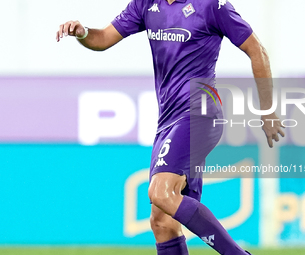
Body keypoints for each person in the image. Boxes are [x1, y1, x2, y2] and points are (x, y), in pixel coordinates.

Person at [57, 0, 285, 254]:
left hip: (199, 114)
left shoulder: (211, 6)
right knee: (162, 222)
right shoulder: (145, 4)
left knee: (161, 192)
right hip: (167, 121)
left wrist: (267, 110)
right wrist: (83, 33)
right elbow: (102, 38)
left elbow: (257, 51)